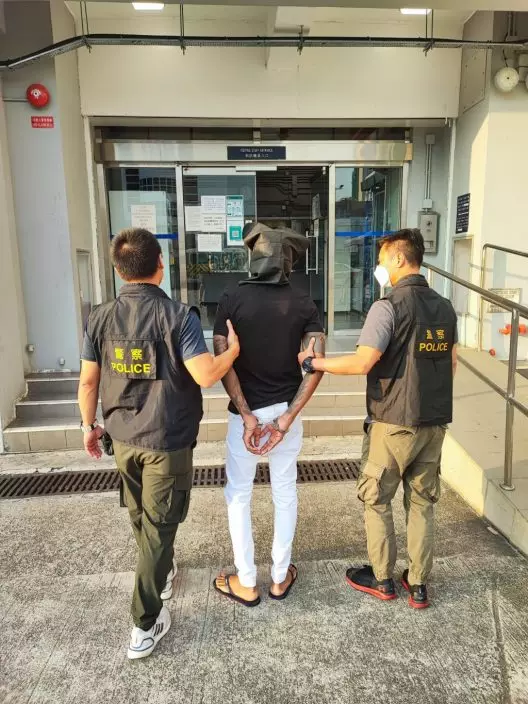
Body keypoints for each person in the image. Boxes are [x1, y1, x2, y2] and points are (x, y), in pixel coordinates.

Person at [78, 227, 240, 659]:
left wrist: (88, 425)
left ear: (118, 270)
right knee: (158, 527)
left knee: (142, 517)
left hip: (122, 438)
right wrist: (231, 353)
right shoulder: (178, 316)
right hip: (166, 441)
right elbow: (205, 374)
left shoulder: (99, 318)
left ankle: (162, 572)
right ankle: (144, 625)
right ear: (160, 266)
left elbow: (89, 381)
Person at [299, 228, 457, 609]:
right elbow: (451, 363)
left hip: (392, 422)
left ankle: (383, 578)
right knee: (422, 502)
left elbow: (363, 361)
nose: (379, 265)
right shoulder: (445, 307)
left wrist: (314, 363)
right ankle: (418, 585)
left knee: (377, 499)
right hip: (434, 422)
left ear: (400, 259)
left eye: (383, 258)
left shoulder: (388, 307)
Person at [212, 223, 325, 606]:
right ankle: (279, 578)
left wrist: (246, 414)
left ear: (253, 256)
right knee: (285, 492)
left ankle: (246, 581)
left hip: (243, 415)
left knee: (239, 494)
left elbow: (223, 361)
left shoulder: (231, 299)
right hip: (285, 413)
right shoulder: (304, 302)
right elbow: (316, 365)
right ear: (288, 262)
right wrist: (286, 419)